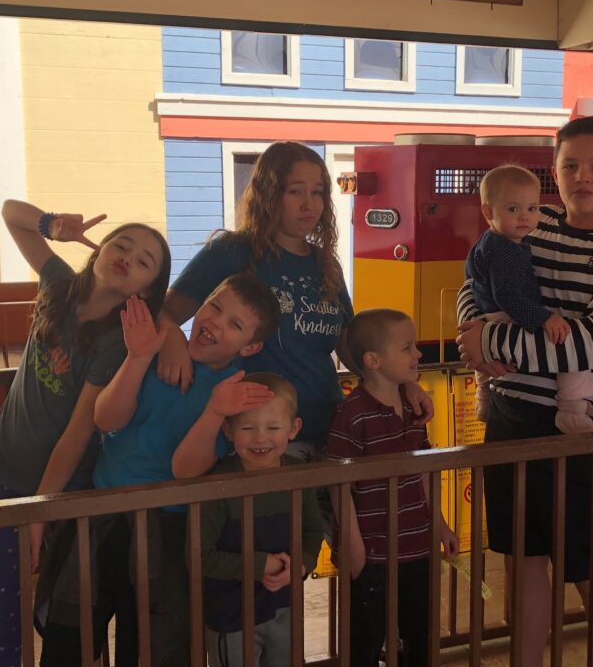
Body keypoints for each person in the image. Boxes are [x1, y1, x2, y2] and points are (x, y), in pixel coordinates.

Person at [456, 116, 593, 667]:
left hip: (585, 425)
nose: (582, 177)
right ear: (554, 173)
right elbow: (476, 281)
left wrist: (488, 344)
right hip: (510, 416)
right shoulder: (530, 223)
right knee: (521, 557)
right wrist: (468, 326)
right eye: (570, 166)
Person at [34, 273, 281, 667]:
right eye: (215, 307)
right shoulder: (153, 352)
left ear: (249, 347)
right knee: (66, 634)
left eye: (235, 325)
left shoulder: (236, 392)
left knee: (162, 652)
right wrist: (137, 357)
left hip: (169, 527)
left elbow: (186, 470)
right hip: (103, 512)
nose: (217, 323)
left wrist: (215, 412)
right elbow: (105, 419)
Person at [0, 199, 171, 667]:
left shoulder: (114, 343)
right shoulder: (58, 286)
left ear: (146, 289)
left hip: (66, 494)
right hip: (3, 474)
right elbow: (9, 214)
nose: (127, 256)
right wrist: (51, 225)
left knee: (64, 625)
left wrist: (41, 512)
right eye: (121, 244)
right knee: (5, 617)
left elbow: (78, 434)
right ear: (99, 249)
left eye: (144, 260)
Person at [156, 141, 432, 460]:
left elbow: (351, 345)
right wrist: (174, 341)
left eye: (317, 193)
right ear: (269, 194)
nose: (309, 204)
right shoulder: (230, 252)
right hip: (259, 436)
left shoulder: (326, 263)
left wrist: (399, 385)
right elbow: (163, 312)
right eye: (295, 191)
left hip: (329, 428)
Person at [327, 308, 461, 667]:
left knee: (421, 640)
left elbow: (422, 472)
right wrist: (353, 548)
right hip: (372, 555)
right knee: (363, 647)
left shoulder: (413, 408)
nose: (418, 355)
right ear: (374, 361)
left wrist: (440, 525)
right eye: (408, 348)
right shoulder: (352, 415)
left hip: (417, 550)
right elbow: (340, 486)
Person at [196, 372, 325, 667]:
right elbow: (199, 557)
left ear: (293, 429)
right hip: (230, 614)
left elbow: (313, 530)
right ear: (228, 430)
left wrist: (302, 564)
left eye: (273, 428)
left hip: (285, 605)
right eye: (247, 428)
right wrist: (260, 564)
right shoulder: (217, 484)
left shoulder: (299, 475)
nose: (260, 438)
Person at [465, 164, 593, 433]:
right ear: (488, 212)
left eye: (532, 209)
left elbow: (470, 281)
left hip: (489, 314)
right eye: (513, 209)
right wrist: (544, 318)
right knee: (570, 349)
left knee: (489, 367)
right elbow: (508, 294)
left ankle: (483, 398)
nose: (524, 217)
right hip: (510, 314)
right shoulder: (507, 250)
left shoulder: (486, 241)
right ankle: (572, 408)